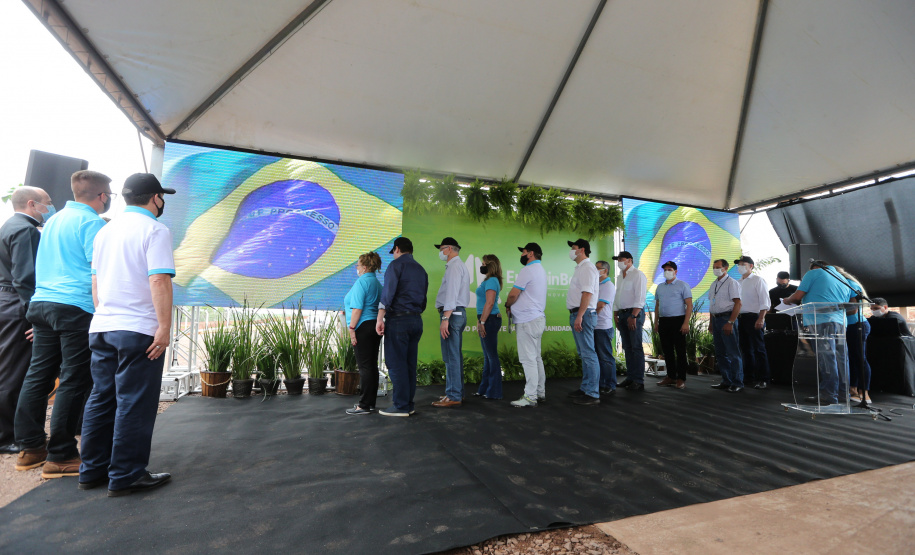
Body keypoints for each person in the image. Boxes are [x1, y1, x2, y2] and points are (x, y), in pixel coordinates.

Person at [78, 173, 175, 496]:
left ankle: (92, 470)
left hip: (103, 326)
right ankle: (126, 474)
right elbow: (159, 279)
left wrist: (105, 314)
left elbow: (95, 282)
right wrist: (164, 327)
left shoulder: (105, 230)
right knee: (134, 402)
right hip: (137, 329)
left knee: (101, 397)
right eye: (162, 197)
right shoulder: (155, 229)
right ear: (155, 198)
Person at [14, 170, 110, 477]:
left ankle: (30, 449)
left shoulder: (53, 220)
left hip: (42, 304)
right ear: (102, 196)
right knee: (73, 379)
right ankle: (61, 455)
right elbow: (99, 272)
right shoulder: (92, 223)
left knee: (38, 375)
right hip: (75, 307)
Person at [0, 187, 51, 454]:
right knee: (15, 372)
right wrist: (35, 317)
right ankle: (8, 436)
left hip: (8, 301)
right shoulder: (25, 230)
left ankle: (15, 433)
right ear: (32, 204)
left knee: (11, 368)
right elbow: (24, 278)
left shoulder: (10, 225)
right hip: (17, 303)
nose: (50, 207)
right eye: (47, 203)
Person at [783, 260, 851, 405]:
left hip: (820, 321)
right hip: (840, 322)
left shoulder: (814, 273)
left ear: (815, 267)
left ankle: (828, 394)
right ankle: (843, 394)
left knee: (826, 359)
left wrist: (787, 300)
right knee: (841, 359)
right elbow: (846, 302)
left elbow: (797, 296)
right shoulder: (842, 279)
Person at [376, 237, 428, 417]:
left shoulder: (395, 266)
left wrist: (380, 318)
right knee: (409, 364)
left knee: (396, 363)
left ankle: (400, 406)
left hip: (398, 320)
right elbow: (423, 300)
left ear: (397, 249)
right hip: (416, 319)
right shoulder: (421, 269)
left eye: (393, 252)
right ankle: (408, 404)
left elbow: (387, 294)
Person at [506, 243, 547, 408]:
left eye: (523, 252)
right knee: (536, 358)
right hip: (536, 319)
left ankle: (530, 396)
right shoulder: (540, 269)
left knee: (528, 359)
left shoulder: (528, 270)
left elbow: (513, 294)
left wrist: (508, 305)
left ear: (530, 253)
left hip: (527, 321)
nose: (522, 255)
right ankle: (539, 392)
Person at [432, 237, 470, 408]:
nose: (440, 252)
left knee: (451, 355)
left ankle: (454, 395)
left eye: (441, 249)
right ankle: (456, 392)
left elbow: (452, 294)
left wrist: (445, 318)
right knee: (454, 355)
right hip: (456, 313)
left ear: (449, 249)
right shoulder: (458, 265)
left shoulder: (454, 266)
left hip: (452, 315)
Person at [344, 252, 383, 415]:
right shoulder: (377, 283)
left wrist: (351, 328)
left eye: (358, 265)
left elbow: (357, 309)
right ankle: (370, 402)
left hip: (362, 326)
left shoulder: (362, 282)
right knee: (371, 365)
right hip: (374, 326)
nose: (357, 268)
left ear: (365, 267)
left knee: (365, 367)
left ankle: (364, 405)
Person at [565, 239, 601, 406]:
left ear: (582, 250)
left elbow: (587, 294)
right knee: (584, 353)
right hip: (580, 313)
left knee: (588, 354)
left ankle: (592, 393)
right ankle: (586, 388)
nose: (571, 251)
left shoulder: (587, 268)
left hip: (584, 314)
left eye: (574, 248)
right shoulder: (580, 268)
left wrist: (579, 316)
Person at [653, 261, 693, 390]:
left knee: (680, 350)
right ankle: (671, 376)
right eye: (665, 270)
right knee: (667, 350)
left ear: (675, 271)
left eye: (670, 269)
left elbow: (689, 305)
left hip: (678, 320)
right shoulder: (660, 287)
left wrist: (685, 323)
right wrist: (656, 322)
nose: (667, 272)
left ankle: (681, 378)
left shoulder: (683, 285)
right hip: (664, 321)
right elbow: (657, 305)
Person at [834, 267, 871, 404]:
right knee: (851, 358)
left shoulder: (850, 284)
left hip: (857, 325)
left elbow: (853, 309)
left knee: (860, 359)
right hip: (848, 326)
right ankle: (853, 390)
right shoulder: (840, 285)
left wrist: (834, 309)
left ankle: (864, 393)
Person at [612, 251, 647, 391]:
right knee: (627, 347)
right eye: (618, 259)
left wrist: (634, 316)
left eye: (622, 259)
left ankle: (638, 380)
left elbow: (640, 297)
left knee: (636, 347)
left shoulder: (638, 274)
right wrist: (615, 315)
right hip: (622, 313)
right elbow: (617, 297)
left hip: (633, 313)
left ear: (630, 260)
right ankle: (630, 377)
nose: (619, 261)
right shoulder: (620, 276)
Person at [708, 259, 744, 392]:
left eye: (718, 267)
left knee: (733, 353)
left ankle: (737, 382)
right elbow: (712, 304)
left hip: (727, 318)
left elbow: (738, 303)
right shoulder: (714, 284)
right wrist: (711, 323)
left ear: (726, 268)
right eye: (714, 267)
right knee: (720, 353)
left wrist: (730, 322)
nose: (715, 269)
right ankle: (726, 380)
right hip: (716, 319)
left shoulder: (732, 283)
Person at [735, 256, 771, 389]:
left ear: (751, 266)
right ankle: (749, 377)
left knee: (758, 349)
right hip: (741, 318)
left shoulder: (758, 280)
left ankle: (764, 379)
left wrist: (761, 318)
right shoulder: (738, 282)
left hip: (754, 317)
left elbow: (765, 301)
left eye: (743, 264)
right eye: (739, 265)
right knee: (745, 349)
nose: (740, 267)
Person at [473, 254, 503, 400]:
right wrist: (480, 320)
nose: (482, 266)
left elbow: (490, 303)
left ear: (490, 265)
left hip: (490, 319)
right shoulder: (489, 280)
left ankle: (494, 391)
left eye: (484, 264)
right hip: (485, 318)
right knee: (487, 356)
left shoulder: (492, 280)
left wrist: (483, 322)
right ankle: (484, 389)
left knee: (491, 356)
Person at [594, 260, 617, 395]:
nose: (595, 270)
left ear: (605, 270)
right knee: (598, 357)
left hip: (603, 326)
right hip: (595, 326)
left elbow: (600, 305)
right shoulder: (596, 284)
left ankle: (610, 384)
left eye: (598, 268)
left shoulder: (608, 285)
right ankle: (601, 383)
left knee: (606, 357)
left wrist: (590, 317)